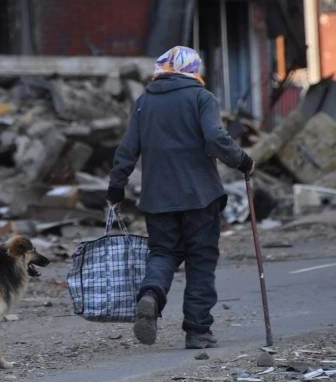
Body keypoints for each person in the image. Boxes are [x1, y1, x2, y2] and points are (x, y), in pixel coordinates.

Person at [106, 46, 255, 349]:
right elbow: (215, 138)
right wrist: (242, 161)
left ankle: (150, 296)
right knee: (201, 260)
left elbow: (127, 149)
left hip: (157, 199)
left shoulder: (144, 103)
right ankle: (198, 332)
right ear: (193, 69)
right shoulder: (202, 98)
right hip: (201, 197)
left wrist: (116, 188)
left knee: (163, 253)